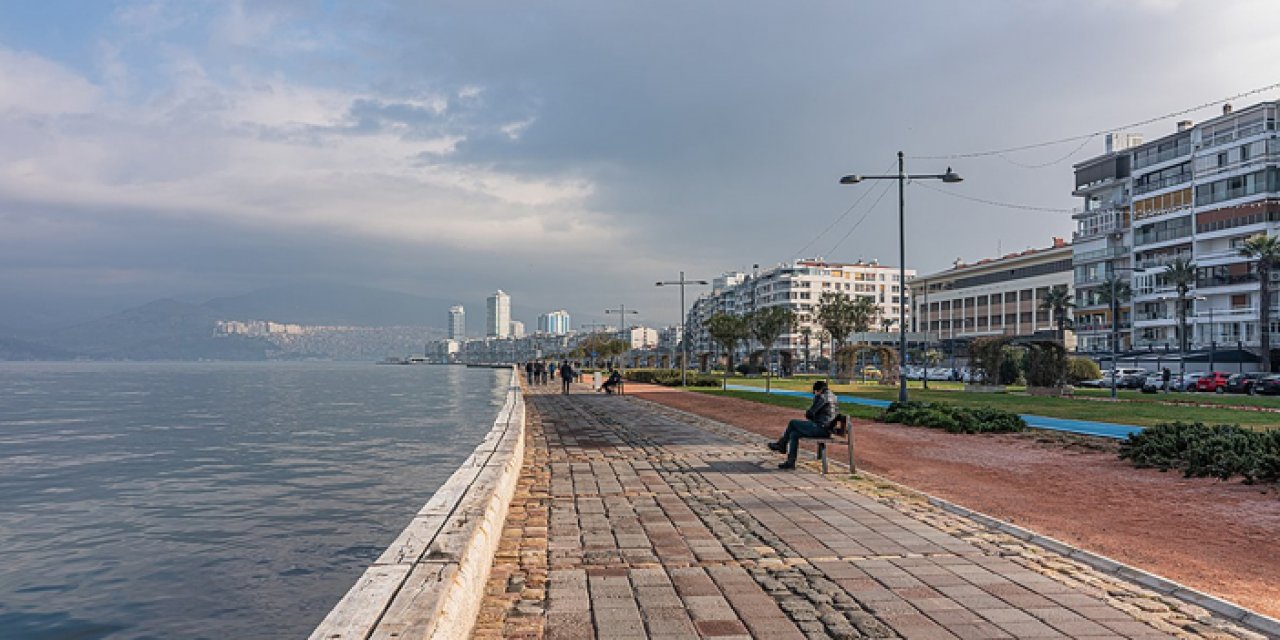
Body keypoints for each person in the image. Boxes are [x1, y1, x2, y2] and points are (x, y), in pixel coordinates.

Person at [767, 381, 838, 469]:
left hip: (820, 428)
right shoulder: (832, 396)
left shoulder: (822, 397)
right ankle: (790, 462)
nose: (814, 394)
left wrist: (812, 408)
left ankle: (782, 444)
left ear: (818, 390)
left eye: (814, 392)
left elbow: (810, 413)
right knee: (794, 434)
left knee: (792, 422)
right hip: (826, 429)